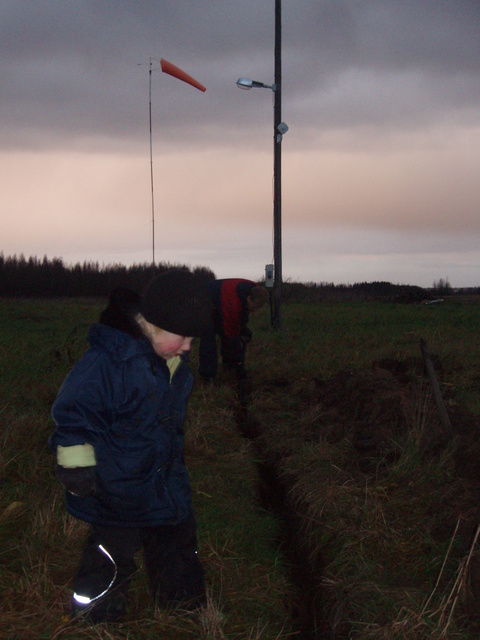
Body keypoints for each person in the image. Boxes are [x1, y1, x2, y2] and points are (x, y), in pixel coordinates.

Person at [49, 270, 213, 623]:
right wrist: (76, 466)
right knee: (110, 554)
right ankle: (96, 614)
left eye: (192, 340)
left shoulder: (173, 366)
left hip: (164, 485)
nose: (187, 347)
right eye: (182, 337)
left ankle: (183, 606)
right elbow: (74, 414)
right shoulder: (108, 363)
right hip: (116, 491)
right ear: (152, 325)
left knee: (178, 545)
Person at [198, 278, 268, 382]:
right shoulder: (233, 303)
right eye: (255, 307)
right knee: (209, 337)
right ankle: (208, 377)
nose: (255, 311)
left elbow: (241, 319)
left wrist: (243, 331)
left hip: (219, 302)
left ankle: (229, 365)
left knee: (229, 333)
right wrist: (239, 362)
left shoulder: (253, 290)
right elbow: (231, 331)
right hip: (201, 301)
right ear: (248, 299)